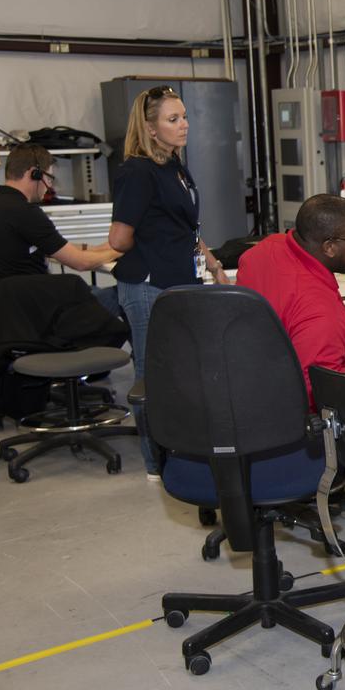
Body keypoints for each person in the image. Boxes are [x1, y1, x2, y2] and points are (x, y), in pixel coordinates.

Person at [108, 84, 229, 479]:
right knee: (152, 376)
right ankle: (155, 462)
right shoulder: (137, 172)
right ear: (150, 128)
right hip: (148, 287)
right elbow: (118, 239)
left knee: (183, 371)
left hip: (179, 283)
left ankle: (181, 447)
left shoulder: (173, 165)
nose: (184, 125)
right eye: (173, 119)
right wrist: (152, 244)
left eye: (185, 117)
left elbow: (185, 228)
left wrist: (213, 265)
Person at [237, 193, 345, 405]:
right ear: (329, 247)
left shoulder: (265, 249)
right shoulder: (322, 313)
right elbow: (321, 393)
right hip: (288, 410)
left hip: (247, 386)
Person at [0, 143, 120, 278]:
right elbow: (81, 262)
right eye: (49, 178)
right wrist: (120, 251)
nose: (49, 187)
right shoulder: (25, 212)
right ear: (34, 174)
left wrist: (98, 249)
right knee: (110, 295)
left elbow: (54, 246)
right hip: (31, 296)